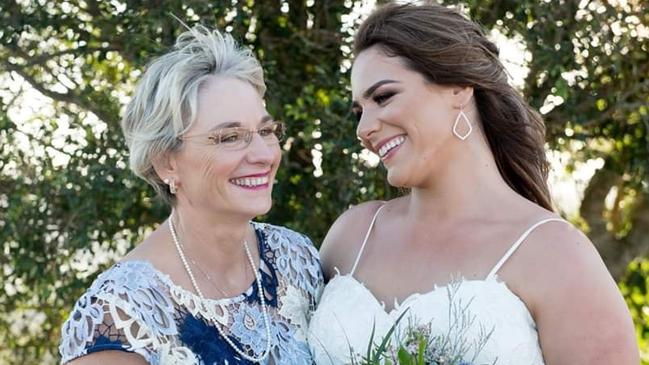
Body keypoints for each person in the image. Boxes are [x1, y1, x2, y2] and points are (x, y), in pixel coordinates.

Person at [307, 2, 638, 364]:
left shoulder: (556, 255)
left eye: (383, 97)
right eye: (359, 111)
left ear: (460, 87)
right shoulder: (351, 236)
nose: (364, 129)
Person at [59, 25, 322, 365]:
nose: (264, 155)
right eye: (229, 137)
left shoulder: (296, 259)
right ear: (165, 162)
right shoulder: (119, 317)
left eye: (266, 131)